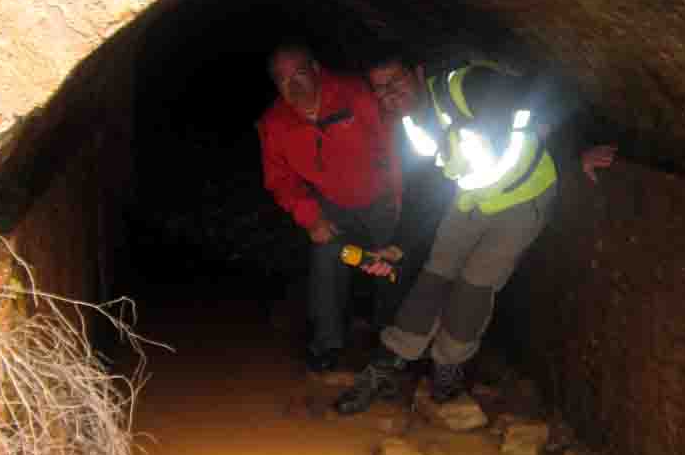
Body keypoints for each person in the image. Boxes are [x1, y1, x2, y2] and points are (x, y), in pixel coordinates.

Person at [334, 56, 616, 415]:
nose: (389, 93)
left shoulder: (467, 87)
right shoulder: (412, 126)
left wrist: (580, 149)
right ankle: (386, 365)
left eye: (395, 80)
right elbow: (425, 192)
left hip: (523, 197)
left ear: (417, 73)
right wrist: (398, 247)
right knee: (434, 277)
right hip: (470, 198)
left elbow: (545, 92)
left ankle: (447, 369)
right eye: (380, 88)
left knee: (474, 287)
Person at [257, 43, 398, 372]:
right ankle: (327, 344)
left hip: (381, 195)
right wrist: (312, 218)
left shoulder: (356, 94)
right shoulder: (274, 124)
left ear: (316, 70)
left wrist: (400, 201)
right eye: (283, 80)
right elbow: (280, 180)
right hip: (332, 203)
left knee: (393, 262)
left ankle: (395, 344)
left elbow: (394, 147)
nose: (293, 85)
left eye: (299, 74)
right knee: (325, 258)